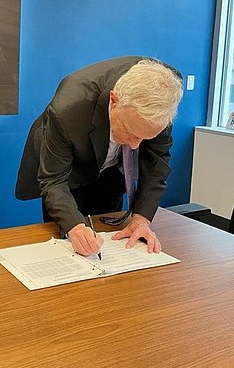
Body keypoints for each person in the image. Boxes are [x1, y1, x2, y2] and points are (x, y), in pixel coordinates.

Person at [15, 56, 183, 257]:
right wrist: (75, 227)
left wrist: (141, 219)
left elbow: (157, 165)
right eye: (130, 132)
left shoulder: (163, 97)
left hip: (111, 171)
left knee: (110, 234)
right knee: (71, 242)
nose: (134, 145)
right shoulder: (68, 108)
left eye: (144, 138)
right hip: (69, 169)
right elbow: (54, 180)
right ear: (114, 101)